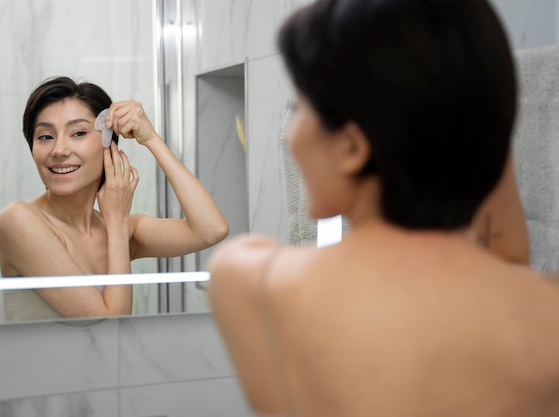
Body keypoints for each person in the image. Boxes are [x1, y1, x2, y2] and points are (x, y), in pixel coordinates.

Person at [207, 0, 559, 416]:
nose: (290, 137)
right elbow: (509, 260)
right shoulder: (542, 316)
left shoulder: (254, 282)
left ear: (353, 147)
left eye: (300, 109)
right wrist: (475, 121)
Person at [0, 76, 228, 319]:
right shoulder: (18, 220)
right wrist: (118, 224)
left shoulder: (120, 228)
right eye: (45, 136)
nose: (59, 150)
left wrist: (151, 139)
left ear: (108, 144)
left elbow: (212, 229)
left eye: (78, 133)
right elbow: (109, 327)